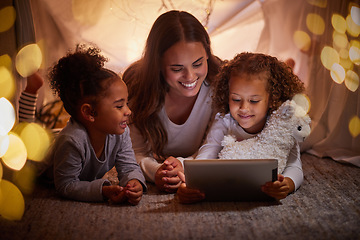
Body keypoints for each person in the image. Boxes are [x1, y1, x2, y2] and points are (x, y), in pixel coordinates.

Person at [177, 52, 306, 203]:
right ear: (227, 95)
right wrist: (193, 182)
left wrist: (288, 184)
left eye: (254, 101)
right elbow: (208, 151)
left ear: (272, 99)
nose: (244, 108)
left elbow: (295, 165)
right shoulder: (224, 120)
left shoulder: (282, 124)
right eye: (236, 99)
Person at [123, 10, 222, 192]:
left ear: (207, 52)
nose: (190, 76)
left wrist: (184, 165)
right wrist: (157, 172)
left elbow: (218, 147)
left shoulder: (220, 86)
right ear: (158, 63)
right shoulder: (138, 88)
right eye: (177, 68)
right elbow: (132, 152)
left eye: (198, 64)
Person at [43, 45, 146, 204]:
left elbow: (129, 166)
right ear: (90, 113)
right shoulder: (72, 141)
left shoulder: (120, 132)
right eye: (119, 106)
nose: (129, 111)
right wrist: (102, 190)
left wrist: (134, 182)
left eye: (126, 103)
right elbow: (66, 184)